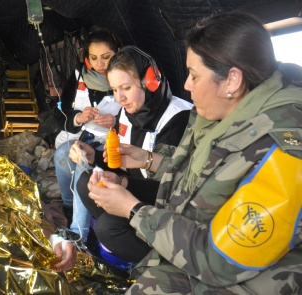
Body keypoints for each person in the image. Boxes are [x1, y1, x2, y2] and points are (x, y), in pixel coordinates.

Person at [83, 11, 302, 294]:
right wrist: (149, 160)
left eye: (194, 75)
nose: (186, 84)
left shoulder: (286, 156)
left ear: (232, 81)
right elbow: (207, 173)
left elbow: (220, 260)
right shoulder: (217, 114)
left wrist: (133, 209)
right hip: (192, 237)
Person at [71, 46, 192, 253]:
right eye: (115, 90)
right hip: (137, 190)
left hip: (167, 202)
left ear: (150, 83)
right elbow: (120, 161)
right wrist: (94, 157)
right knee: (85, 182)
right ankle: (124, 242)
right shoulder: (127, 112)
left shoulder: (178, 118)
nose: (119, 98)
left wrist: (123, 184)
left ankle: (155, 259)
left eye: (125, 88)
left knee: (108, 226)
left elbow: (170, 189)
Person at [53, 26, 123, 226]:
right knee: (61, 155)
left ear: (118, 52)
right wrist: (78, 118)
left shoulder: (129, 75)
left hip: (112, 143)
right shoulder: (79, 74)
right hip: (82, 135)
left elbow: (142, 117)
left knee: (83, 166)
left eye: (106, 57)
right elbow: (62, 112)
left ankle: (79, 230)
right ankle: (68, 206)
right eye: (93, 58)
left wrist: (116, 123)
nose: (99, 64)